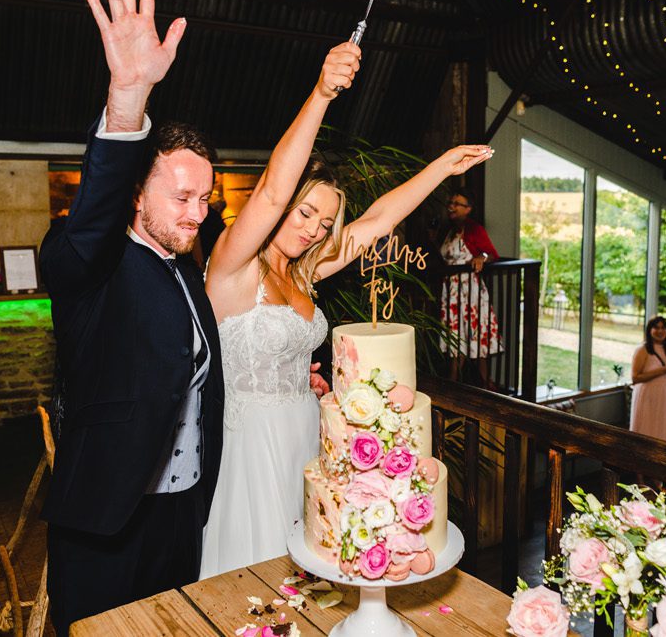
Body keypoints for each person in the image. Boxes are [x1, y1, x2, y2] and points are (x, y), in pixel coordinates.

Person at [198, 40, 492, 577]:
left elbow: (376, 223)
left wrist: (441, 169)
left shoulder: (303, 270)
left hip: (306, 441)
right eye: (304, 211)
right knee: (259, 579)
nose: (312, 229)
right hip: (251, 449)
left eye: (323, 222)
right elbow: (267, 193)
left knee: (315, 569)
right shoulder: (232, 269)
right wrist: (321, 93)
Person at [39, 0, 222, 637]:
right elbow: (90, 219)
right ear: (138, 191)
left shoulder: (186, 271)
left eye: (206, 198)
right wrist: (128, 100)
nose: (198, 210)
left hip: (179, 513)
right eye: (182, 195)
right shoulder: (90, 262)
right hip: (106, 517)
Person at [434, 187, 503, 372]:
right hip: (451, 290)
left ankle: (484, 383)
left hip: (470, 290)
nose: (451, 207)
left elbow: (491, 254)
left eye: (457, 204)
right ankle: (455, 383)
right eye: (450, 203)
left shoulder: (474, 229)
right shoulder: (447, 231)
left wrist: (482, 257)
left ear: (468, 208)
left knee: (476, 332)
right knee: (455, 334)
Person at [630, 316, 666, 440]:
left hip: (665, 397)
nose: (660, 331)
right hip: (647, 396)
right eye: (656, 328)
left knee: (661, 431)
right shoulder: (642, 349)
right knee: (645, 429)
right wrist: (665, 370)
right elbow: (635, 378)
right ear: (649, 330)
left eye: (663, 328)